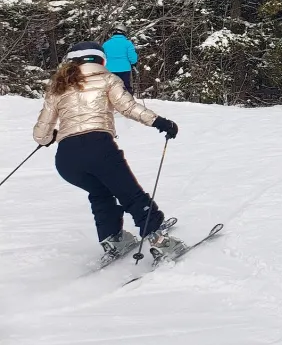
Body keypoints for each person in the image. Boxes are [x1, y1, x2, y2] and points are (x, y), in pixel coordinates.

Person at [32, 41, 184, 262]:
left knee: (100, 193)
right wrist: (160, 122)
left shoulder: (58, 86)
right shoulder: (108, 79)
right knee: (131, 195)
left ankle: (112, 239)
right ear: (100, 60)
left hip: (66, 160)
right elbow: (129, 107)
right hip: (98, 147)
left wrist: (52, 137)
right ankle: (161, 240)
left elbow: (41, 135)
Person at [103, 25, 138, 93]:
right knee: (125, 87)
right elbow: (132, 57)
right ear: (124, 33)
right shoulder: (128, 43)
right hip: (124, 69)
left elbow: (103, 56)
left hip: (110, 69)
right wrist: (134, 63)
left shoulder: (106, 44)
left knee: (111, 87)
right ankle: (127, 101)